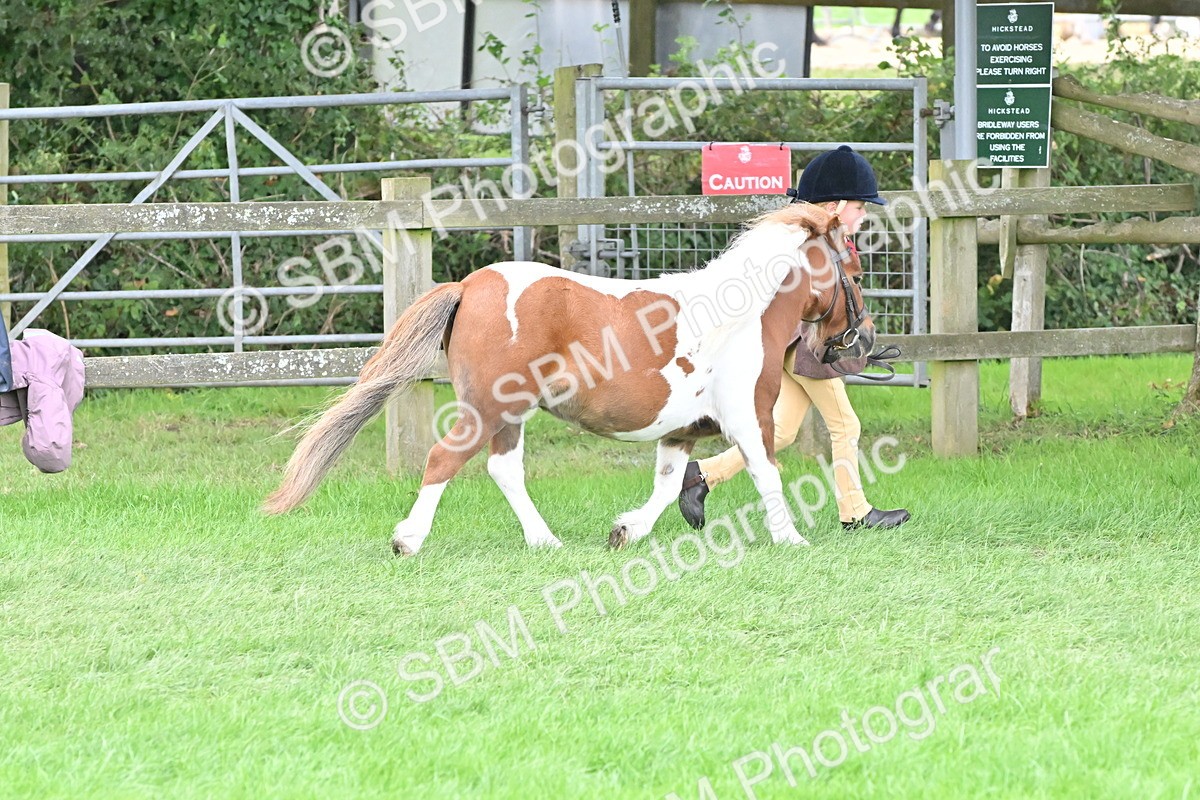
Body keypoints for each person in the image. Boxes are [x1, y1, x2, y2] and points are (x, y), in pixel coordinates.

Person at [677, 145, 911, 532]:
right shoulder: (818, 246)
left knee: (782, 430)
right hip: (806, 347)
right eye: (860, 206)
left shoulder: (812, 239)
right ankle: (854, 512)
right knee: (846, 426)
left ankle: (700, 475)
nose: (865, 214)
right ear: (836, 205)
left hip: (791, 347)